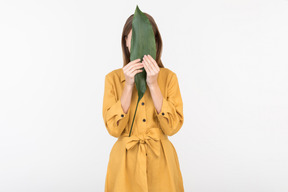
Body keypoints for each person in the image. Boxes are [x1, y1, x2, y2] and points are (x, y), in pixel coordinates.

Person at [102, 12, 184, 192]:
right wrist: (128, 85)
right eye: (136, 38)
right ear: (126, 41)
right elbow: (114, 129)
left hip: (161, 162)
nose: (142, 44)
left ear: (156, 43)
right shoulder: (113, 79)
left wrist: (154, 85)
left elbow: (173, 128)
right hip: (124, 164)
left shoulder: (169, 78)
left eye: (148, 38)